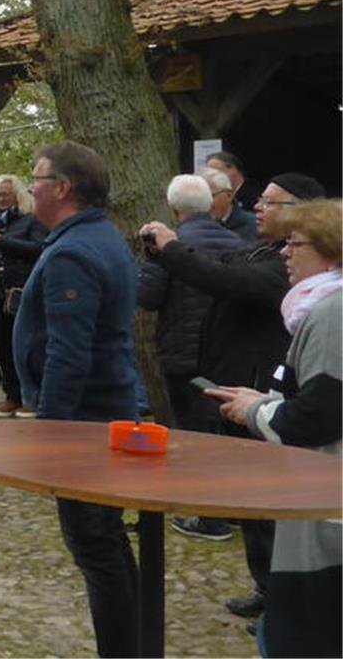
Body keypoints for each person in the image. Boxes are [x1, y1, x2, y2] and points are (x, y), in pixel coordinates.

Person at [141, 170, 324, 620]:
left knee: (271, 504)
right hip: (242, 387)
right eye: (259, 199)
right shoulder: (263, 249)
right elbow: (221, 271)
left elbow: (229, 283)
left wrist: (170, 248)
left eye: (272, 201)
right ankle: (268, 589)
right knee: (254, 504)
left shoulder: (300, 269)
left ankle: (282, 599)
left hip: (267, 394)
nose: (258, 207)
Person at [12, 142, 141, 659]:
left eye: (36, 179)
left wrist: (52, 433)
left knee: (96, 546)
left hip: (87, 423)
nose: (30, 188)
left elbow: (70, 352)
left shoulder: (73, 251)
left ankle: (123, 650)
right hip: (101, 414)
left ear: (62, 188)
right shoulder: (96, 237)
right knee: (105, 542)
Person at [205, 199, 341, 659]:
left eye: (295, 243)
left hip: (325, 516)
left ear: (332, 251)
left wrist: (255, 410)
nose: (284, 253)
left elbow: (319, 416)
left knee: (301, 637)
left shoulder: (331, 314)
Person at [135, 174, 246, 541]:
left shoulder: (170, 246)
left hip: (183, 353)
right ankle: (234, 509)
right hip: (228, 354)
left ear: (173, 208)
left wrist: (147, 259)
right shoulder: (239, 241)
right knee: (228, 434)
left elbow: (149, 296)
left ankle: (207, 516)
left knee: (194, 435)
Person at [0, 174, 48, 417]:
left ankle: (32, 396)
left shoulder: (31, 220)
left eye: (5, 194)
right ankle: (11, 395)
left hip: (21, 291)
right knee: (3, 346)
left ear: (18, 195)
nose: (1, 199)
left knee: (26, 346)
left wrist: (2, 241)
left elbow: (38, 249)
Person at [204, 150, 261, 239]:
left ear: (233, 169)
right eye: (208, 172)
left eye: (215, 172)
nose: (210, 176)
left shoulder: (254, 195)